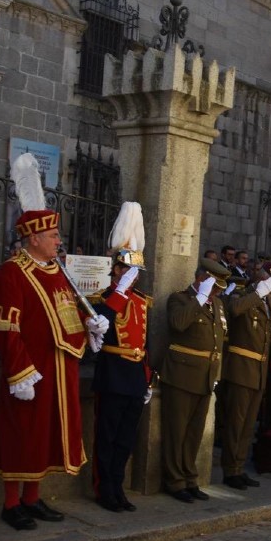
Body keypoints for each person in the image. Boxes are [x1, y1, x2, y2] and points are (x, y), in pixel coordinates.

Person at [0, 153, 108, 530]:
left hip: (61, 365)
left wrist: (91, 323)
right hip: (31, 370)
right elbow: (5, 326)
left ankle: (33, 497)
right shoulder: (12, 273)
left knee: (45, 437)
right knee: (22, 433)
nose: (59, 241)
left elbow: (67, 308)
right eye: (54, 235)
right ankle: (11, 503)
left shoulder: (56, 270)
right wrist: (20, 372)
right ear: (34, 238)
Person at [90, 203, 149, 513]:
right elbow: (100, 320)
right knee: (107, 436)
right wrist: (119, 291)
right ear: (114, 269)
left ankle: (118, 486)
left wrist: (148, 377)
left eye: (134, 271)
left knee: (126, 439)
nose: (130, 276)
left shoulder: (141, 300)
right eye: (124, 269)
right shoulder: (103, 296)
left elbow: (145, 341)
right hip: (113, 373)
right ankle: (104, 489)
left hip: (135, 376)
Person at [162, 259, 230, 503]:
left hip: (205, 376)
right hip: (181, 375)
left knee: (194, 433)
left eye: (219, 289)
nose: (217, 293)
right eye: (214, 287)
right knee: (176, 432)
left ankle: (190, 477)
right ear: (202, 279)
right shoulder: (180, 299)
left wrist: (217, 374)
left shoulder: (218, 304)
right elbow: (178, 324)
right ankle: (174, 480)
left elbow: (219, 341)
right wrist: (199, 299)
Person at [219, 261, 271, 490]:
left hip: (258, 372)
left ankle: (239, 467)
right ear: (261, 279)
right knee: (235, 423)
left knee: (247, 426)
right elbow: (234, 310)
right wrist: (258, 293)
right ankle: (229, 470)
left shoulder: (268, 302)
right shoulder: (242, 293)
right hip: (240, 369)